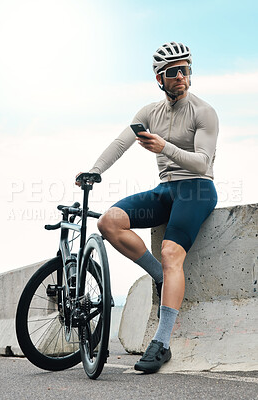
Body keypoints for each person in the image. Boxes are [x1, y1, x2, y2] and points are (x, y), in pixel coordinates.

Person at [75, 42, 218, 373]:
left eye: (185, 69)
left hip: (197, 189)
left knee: (171, 253)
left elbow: (202, 163)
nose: (181, 76)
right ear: (159, 78)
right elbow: (121, 142)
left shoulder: (204, 111)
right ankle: (158, 277)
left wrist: (164, 146)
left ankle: (162, 342)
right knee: (109, 222)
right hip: (165, 191)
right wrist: (95, 170)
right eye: (172, 72)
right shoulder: (149, 112)